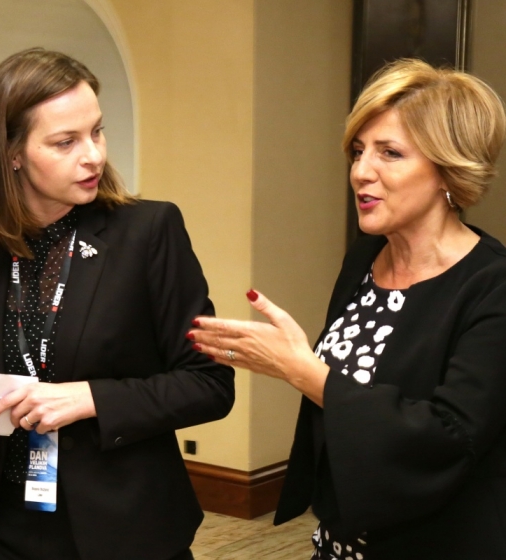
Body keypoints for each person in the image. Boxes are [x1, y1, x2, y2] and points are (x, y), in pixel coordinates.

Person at [188, 59, 506, 560]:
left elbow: (449, 437)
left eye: (390, 153)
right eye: (359, 151)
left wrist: (300, 370)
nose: (361, 172)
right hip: (340, 540)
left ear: (449, 167)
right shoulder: (366, 257)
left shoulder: (493, 284)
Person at [0, 47, 235, 560]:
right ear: (12, 153)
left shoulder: (149, 231)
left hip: (125, 528)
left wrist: (91, 399)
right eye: (66, 142)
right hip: (5, 524)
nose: (94, 155)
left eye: (97, 132)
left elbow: (210, 385)